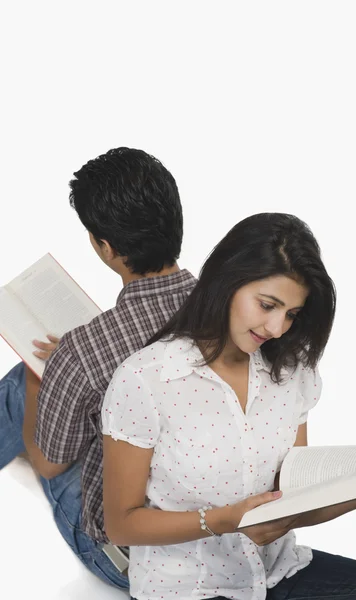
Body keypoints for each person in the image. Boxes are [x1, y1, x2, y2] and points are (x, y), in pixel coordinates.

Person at [102, 212, 356, 600]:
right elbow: (121, 525)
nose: (277, 328)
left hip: (281, 573)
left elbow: (292, 500)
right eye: (267, 305)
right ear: (227, 282)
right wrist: (224, 521)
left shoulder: (290, 371)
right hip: (187, 588)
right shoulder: (146, 379)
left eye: (291, 314)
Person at [0, 147, 196, 590]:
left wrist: (39, 382)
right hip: (212, 533)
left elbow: (49, 465)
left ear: (105, 246)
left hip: (128, 559)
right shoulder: (231, 308)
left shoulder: (83, 352)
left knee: (21, 384)